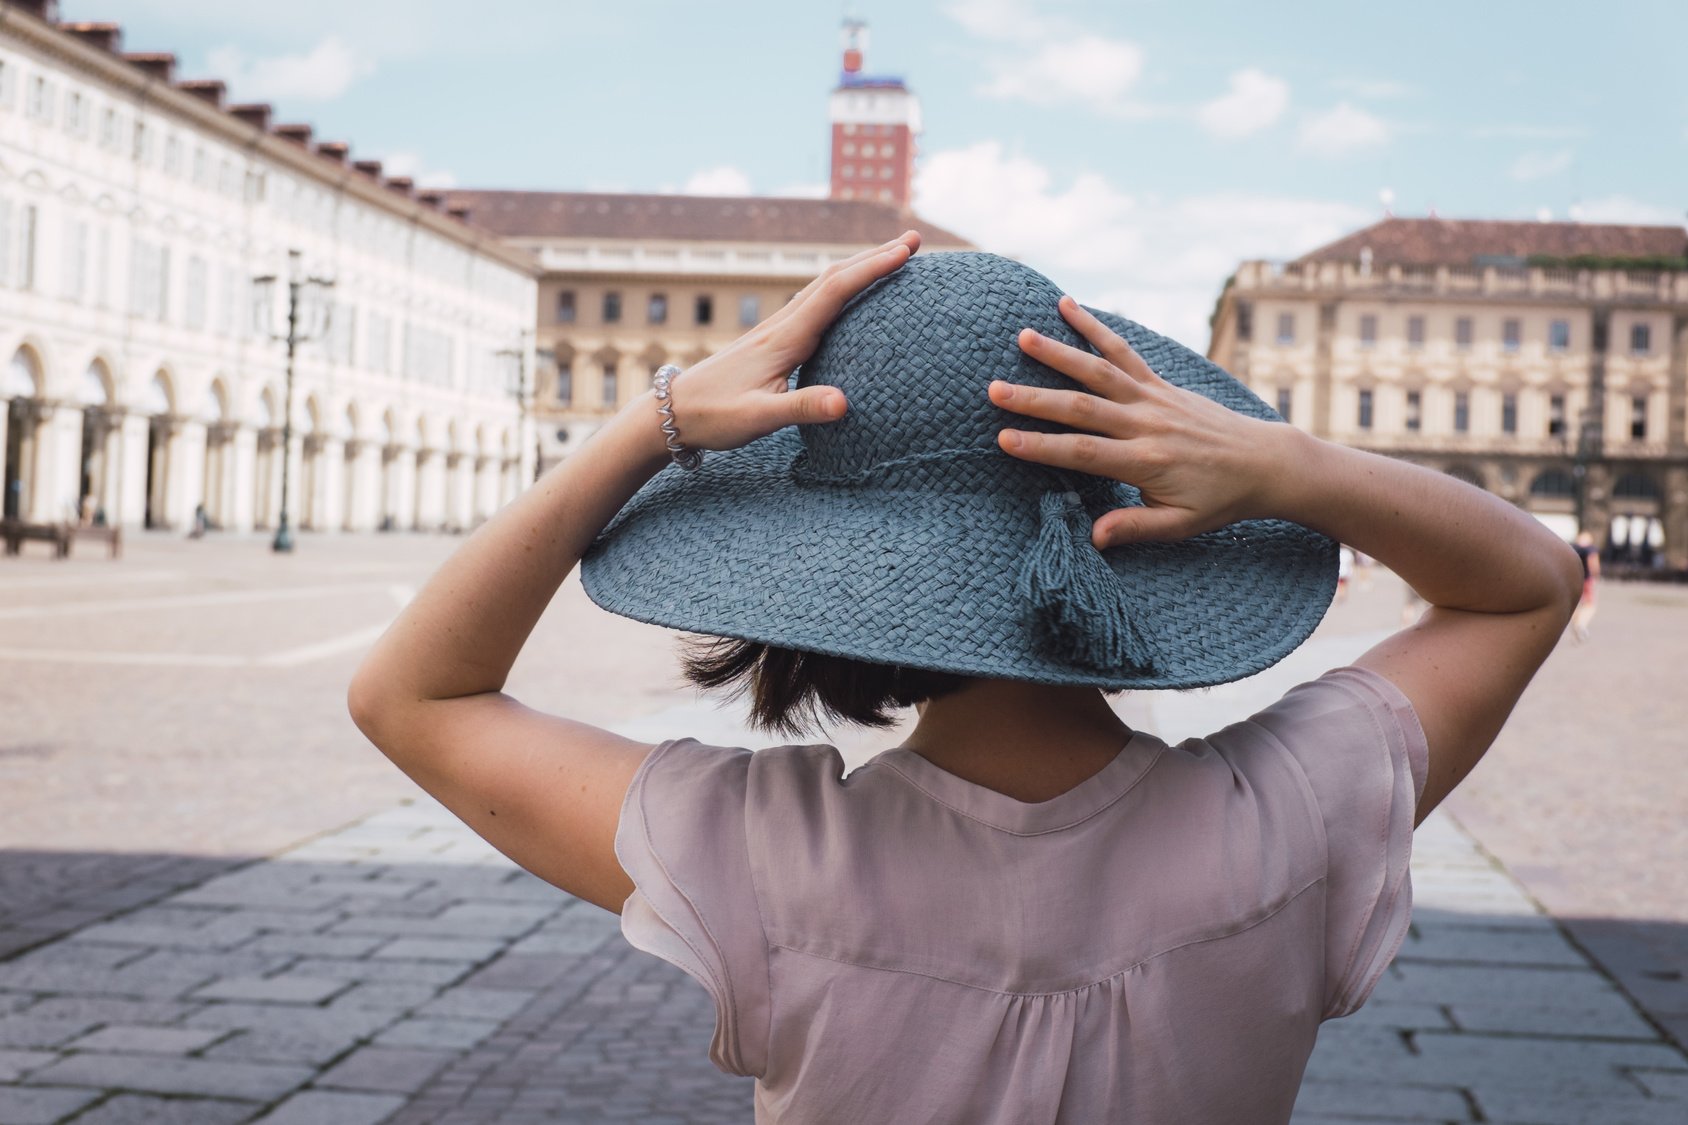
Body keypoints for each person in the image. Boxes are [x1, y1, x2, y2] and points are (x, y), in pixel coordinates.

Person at [349, 242, 1581, 1123]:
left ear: (825, 579)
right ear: (1124, 523)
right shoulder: (1295, 817)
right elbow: (1522, 585)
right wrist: (1291, 464)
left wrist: (648, 427)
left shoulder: (758, 856)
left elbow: (413, 699)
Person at [1572, 529, 1601, 641]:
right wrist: (1596, 575)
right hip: (1587, 580)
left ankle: (1577, 623)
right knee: (1590, 605)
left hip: (1574, 578)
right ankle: (1581, 624)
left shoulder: (1573, 548)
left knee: (1575, 605)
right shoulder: (1590, 549)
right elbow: (1593, 563)